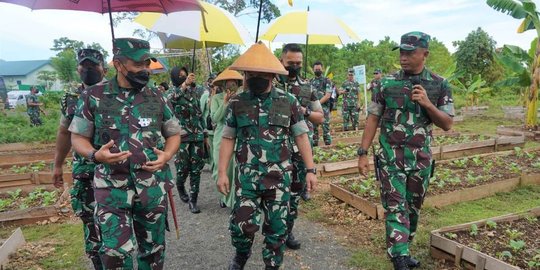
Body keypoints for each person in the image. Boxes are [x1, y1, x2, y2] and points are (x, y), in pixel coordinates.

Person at [68, 38, 182, 269]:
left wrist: (167, 156)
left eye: (147, 64)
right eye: (138, 64)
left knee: (154, 251)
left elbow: (174, 133)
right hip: (111, 189)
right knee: (114, 253)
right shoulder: (94, 96)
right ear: (118, 64)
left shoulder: (157, 96)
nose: (145, 70)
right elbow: (77, 137)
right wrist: (94, 155)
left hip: (152, 187)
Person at [357, 32, 454, 270]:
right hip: (391, 158)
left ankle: (404, 246)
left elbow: (447, 123)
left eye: (410, 52)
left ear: (425, 54)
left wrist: (428, 104)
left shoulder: (439, 84)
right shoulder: (386, 84)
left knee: (413, 207)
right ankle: (399, 257)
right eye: (401, 52)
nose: (404, 57)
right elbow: (373, 118)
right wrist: (363, 153)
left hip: (420, 160)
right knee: (395, 206)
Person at [217, 42, 318, 270]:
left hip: (279, 179)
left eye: (260, 73)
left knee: (276, 230)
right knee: (242, 226)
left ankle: (272, 265)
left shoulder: (288, 102)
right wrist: (222, 172)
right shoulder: (237, 102)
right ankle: (241, 254)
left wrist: (310, 170)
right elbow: (228, 138)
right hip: (247, 179)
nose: (254, 77)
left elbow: (301, 136)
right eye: (250, 73)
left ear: (272, 74)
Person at [52, 48, 107, 270]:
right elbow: (64, 132)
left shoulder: (117, 93)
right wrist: (57, 164)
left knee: (116, 220)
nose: (88, 70)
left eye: (93, 66)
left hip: (114, 169)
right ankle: (98, 262)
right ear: (78, 68)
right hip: (85, 170)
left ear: (104, 68)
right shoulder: (72, 97)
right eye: (85, 66)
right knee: (88, 217)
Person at [275, 43, 324, 249]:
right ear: (281, 61)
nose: (294, 66)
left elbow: (319, 117)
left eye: (298, 63)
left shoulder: (307, 87)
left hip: (299, 151)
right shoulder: (268, 83)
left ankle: (288, 231)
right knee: (274, 194)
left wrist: (303, 111)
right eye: (290, 63)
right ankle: (274, 231)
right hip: (274, 150)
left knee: (294, 194)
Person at [169, 66, 208, 213]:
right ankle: (180, 186)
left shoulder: (194, 92)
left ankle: (193, 199)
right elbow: (171, 101)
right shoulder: (173, 92)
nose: (184, 77)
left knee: (196, 169)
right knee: (182, 169)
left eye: (185, 75)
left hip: (197, 136)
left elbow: (199, 115)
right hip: (182, 137)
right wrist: (184, 85)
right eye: (180, 76)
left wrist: (204, 135)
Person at [210, 68, 243, 208]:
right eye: (228, 83)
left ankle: (233, 199)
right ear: (223, 84)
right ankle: (223, 195)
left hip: (237, 138)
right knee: (220, 168)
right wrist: (225, 103)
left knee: (235, 170)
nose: (230, 85)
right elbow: (215, 118)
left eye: (233, 83)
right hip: (220, 138)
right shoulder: (216, 98)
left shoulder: (241, 98)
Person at [310, 61, 333, 146]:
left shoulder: (327, 81)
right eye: (316, 69)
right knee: (313, 128)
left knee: (325, 128)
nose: (317, 70)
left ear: (322, 69)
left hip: (324, 108)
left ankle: (328, 146)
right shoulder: (310, 81)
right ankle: (315, 145)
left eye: (319, 69)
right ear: (313, 70)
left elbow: (327, 95)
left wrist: (317, 104)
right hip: (313, 109)